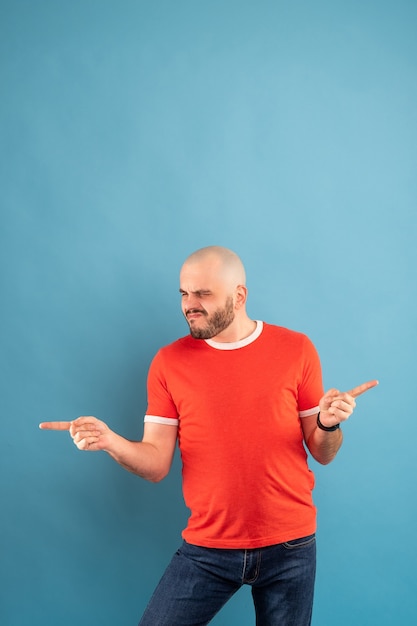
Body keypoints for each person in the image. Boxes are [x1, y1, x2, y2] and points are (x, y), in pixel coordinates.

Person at [40, 246, 378, 626]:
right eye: (184, 294)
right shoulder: (169, 362)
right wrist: (111, 442)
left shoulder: (296, 349)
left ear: (239, 296)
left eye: (203, 294)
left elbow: (323, 451)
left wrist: (329, 425)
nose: (190, 304)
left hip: (291, 546)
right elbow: (155, 464)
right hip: (209, 548)